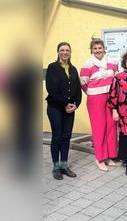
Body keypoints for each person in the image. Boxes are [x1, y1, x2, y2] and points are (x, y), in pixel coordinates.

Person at [80, 38, 118, 172]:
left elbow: (115, 79)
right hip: (95, 98)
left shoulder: (112, 62)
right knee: (99, 128)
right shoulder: (88, 64)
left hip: (110, 97)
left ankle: (109, 155)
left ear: (104, 48)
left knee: (111, 126)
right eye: (95, 48)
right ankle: (100, 158)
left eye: (100, 47)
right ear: (91, 50)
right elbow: (83, 83)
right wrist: (93, 92)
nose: (98, 50)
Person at [45, 42, 82, 180]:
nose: (65, 52)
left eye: (67, 50)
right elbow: (52, 90)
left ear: (70, 52)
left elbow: (78, 90)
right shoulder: (52, 67)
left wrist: (76, 104)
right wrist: (65, 104)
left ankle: (64, 165)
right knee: (57, 136)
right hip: (55, 107)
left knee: (66, 137)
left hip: (70, 109)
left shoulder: (73, 69)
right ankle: (56, 167)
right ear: (58, 52)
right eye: (62, 50)